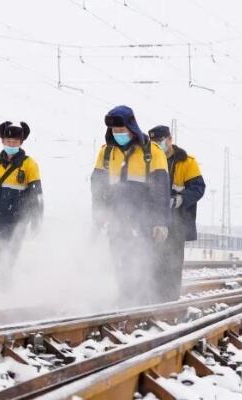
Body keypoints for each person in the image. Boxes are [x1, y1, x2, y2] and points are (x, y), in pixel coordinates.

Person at [91, 105, 170, 306]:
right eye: (115, 131)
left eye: (122, 131)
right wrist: (98, 215)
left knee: (143, 259)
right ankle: (125, 297)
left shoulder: (152, 152)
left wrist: (161, 222)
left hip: (145, 219)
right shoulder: (106, 153)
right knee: (120, 257)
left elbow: (161, 188)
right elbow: (97, 186)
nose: (118, 134)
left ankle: (144, 300)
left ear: (132, 128)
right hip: (117, 216)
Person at [149, 125, 206, 301]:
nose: (157, 145)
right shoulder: (148, 160)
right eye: (153, 142)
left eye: (160, 141)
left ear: (169, 139)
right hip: (153, 222)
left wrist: (179, 199)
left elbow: (198, 188)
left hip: (177, 224)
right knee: (151, 264)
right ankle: (151, 300)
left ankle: (169, 302)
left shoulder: (187, 162)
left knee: (172, 266)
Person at [0, 121, 43, 273]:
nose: (11, 144)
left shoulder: (30, 165)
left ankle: (6, 283)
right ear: (2, 141)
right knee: (1, 253)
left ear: (21, 142)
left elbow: (36, 195)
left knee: (11, 253)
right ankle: (6, 281)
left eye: (15, 142)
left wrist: (36, 219)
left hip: (18, 219)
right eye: (8, 141)